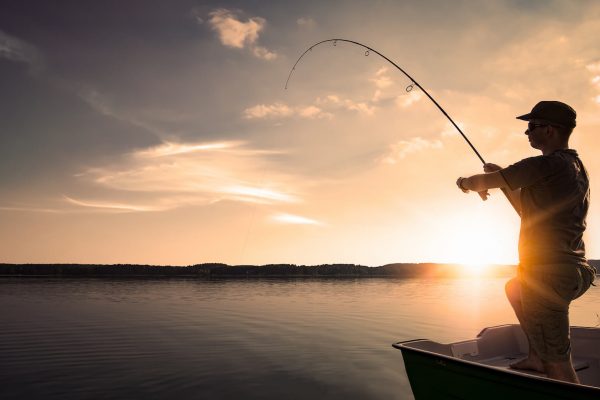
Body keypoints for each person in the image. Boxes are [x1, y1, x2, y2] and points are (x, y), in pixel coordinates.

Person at [455, 100, 596, 383]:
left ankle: (552, 368)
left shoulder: (544, 165)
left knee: (559, 366)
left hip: (548, 276)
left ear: (551, 130)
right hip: (575, 272)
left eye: (532, 126)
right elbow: (526, 210)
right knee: (516, 288)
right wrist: (502, 181)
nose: (527, 133)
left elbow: (478, 181)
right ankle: (535, 357)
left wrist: (465, 182)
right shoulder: (574, 166)